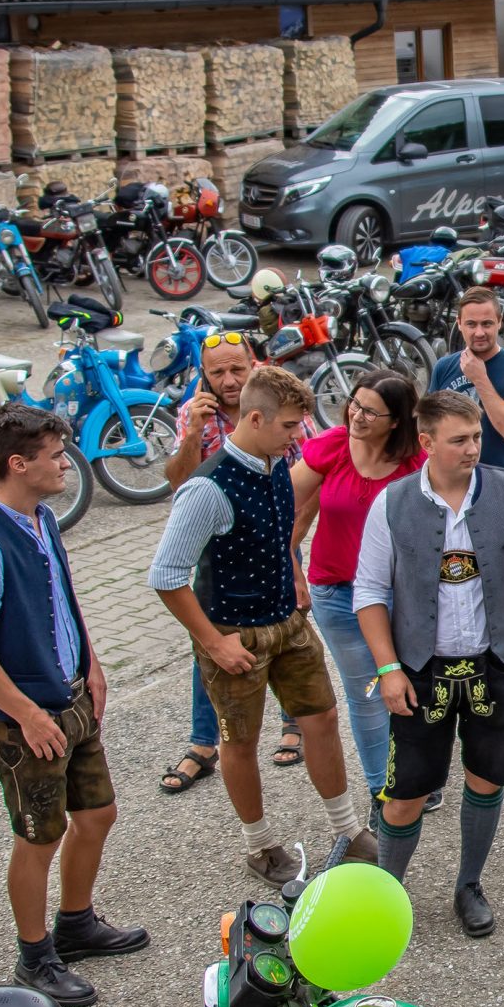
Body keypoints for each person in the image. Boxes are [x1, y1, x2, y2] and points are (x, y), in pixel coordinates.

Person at [0, 404, 145, 1007]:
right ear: (18, 464)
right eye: (56, 456)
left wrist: (92, 662)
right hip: (24, 722)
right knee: (39, 837)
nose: (67, 464)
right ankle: (34, 957)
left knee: (99, 813)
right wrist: (28, 715)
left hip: (70, 699)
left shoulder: (44, 520)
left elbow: (63, 597)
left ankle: (76, 925)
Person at [355, 391, 504, 937]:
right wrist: (388, 669)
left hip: (495, 664)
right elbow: (369, 591)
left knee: (486, 779)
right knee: (405, 795)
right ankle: (384, 896)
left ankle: (468, 885)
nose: (473, 448)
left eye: (476, 436)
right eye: (460, 440)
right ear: (427, 442)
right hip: (419, 671)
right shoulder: (391, 502)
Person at [150, 363, 370, 885]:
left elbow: (281, 533)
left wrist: (294, 574)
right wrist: (213, 643)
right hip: (234, 636)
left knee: (322, 718)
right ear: (255, 418)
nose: (297, 435)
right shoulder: (207, 488)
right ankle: (260, 845)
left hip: (288, 622)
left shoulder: (276, 464)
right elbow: (166, 575)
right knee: (240, 741)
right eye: (289, 425)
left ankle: (348, 830)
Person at [290, 370, 425, 800]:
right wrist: (289, 564)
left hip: (399, 596)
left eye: (371, 411)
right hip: (336, 594)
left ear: (396, 421)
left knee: (411, 683)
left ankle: (418, 776)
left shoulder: (417, 464)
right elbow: (281, 506)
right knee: (366, 694)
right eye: (355, 403)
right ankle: (383, 788)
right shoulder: (332, 446)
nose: (356, 415)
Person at [162, 329, 256, 796]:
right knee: (209, 641)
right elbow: (176, 482)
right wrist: (193, 435)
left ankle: (294, 724)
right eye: (218, 372)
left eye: (238, 368)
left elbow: (309, 465)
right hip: (213, 548)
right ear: (203, 374)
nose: (229, 380)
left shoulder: (273, 400)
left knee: (291, 633)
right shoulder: (193, 412)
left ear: (253, 364)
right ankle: (204, 742)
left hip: (271, 538)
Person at [431, 287, 504, 472]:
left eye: (487, 324)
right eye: (471, 324)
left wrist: (480, 378)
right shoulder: (443, 366)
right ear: (459, 323)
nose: (479, 332)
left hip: (498, 478)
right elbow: (431, 426)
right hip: (452, 478)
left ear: (499, 322)